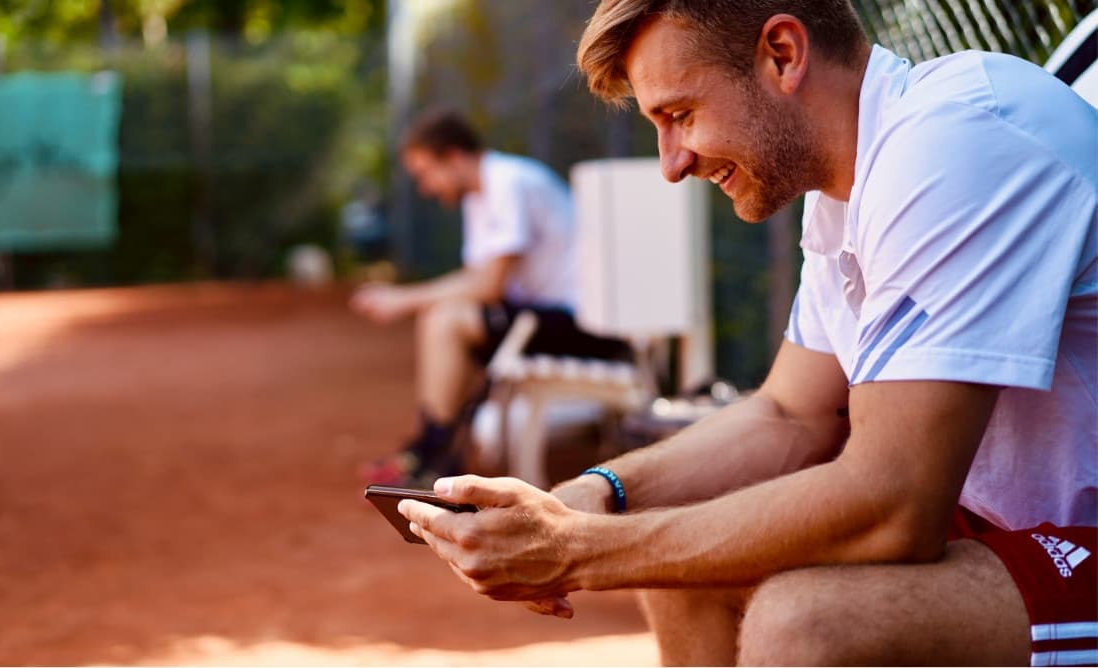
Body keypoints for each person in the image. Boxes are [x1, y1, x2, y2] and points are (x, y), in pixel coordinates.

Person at [395, 1, 1098, 665]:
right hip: (1003, 525)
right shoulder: (846, 190)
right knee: (686, 567)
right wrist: (591, 495)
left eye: (680, 114)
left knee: (806, 622)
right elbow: (786, 413)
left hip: (1071, 537)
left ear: (783, 54)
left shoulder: (959, 140)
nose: (671, 163)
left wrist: (579, 550)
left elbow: (892, 502)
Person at [352, 108, 631, 487]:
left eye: (425, 174)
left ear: (452, 157)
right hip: (543, 320)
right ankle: (430, 453)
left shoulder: (507, 181)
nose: (425, 188)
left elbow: (488, 286)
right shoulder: (480, 194)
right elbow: (477, 283)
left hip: (586, 325)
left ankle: (431, 455)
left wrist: (403, 299)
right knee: (447, 317)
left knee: (448, 320)